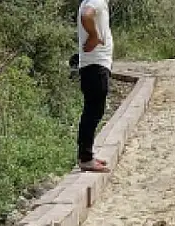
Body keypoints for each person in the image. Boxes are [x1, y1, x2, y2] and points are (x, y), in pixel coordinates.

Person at [76, 0, 114, 173]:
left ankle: (87, 154)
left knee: (93, 110)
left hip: (94, 65)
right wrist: (93, 35)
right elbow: (86, 15)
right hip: (95, 65)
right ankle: (86, 158)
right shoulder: (95, 0)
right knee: (93, 111)